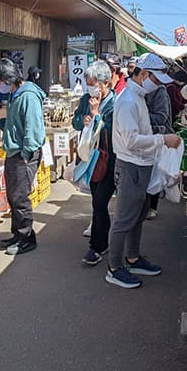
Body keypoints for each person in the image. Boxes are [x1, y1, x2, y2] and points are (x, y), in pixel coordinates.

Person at [106, 54, 181, 289]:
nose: (158, 85)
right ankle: (115, 267)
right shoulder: (128, 99)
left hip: (141, 164)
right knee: (124, 218)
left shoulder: (137, 96)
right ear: (144, 74)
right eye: (156, 80)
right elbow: (131, 140)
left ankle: (133, 257)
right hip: (131, 165)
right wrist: (162, 139)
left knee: (137, 215)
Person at [0, 58, 46, 255]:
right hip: (14, 152)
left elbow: (33, 129)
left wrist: (27, 154)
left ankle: (27, 238)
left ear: (8, 79)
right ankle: (17, 234)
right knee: (13, 196)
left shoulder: (28, 96)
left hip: (23, 153)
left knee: (20, 198)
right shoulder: (15, 94)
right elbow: (15, 120)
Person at [72, 61, 116, 266]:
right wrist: (85, 118)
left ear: (105, 83)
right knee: (95, 201)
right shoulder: (85, 99)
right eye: (88, 83)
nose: (90, 87)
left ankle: (97, 245)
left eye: (93, 83)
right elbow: (75, 122)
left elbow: (112, 130)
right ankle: (100, 242)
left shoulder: (115, 103)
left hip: (108, 160)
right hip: (90, 159)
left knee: (100, 202)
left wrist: (97, 115)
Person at [141, 54, 174, 220]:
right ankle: (145, 206)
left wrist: (141, 116)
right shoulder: (135, 92)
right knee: (147, 175)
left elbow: (162, 116)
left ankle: (151, 206)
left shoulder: (159, 91)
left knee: (153, 175)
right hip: (146, 139)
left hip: (156, 137)